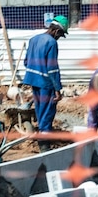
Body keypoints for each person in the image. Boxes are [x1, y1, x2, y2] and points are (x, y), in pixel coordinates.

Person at [23, 15, 69, 152]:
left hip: (33, 80)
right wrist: (57, 89)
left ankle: (41, 136)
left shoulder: (34, 39)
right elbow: (52, 68)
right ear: (56, 31)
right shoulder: (51, 43)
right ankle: (44, 146)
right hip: (46, 82)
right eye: (60, 35)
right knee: (47, 112)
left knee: (39, 109)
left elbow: (26, 61)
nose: (59, 38)